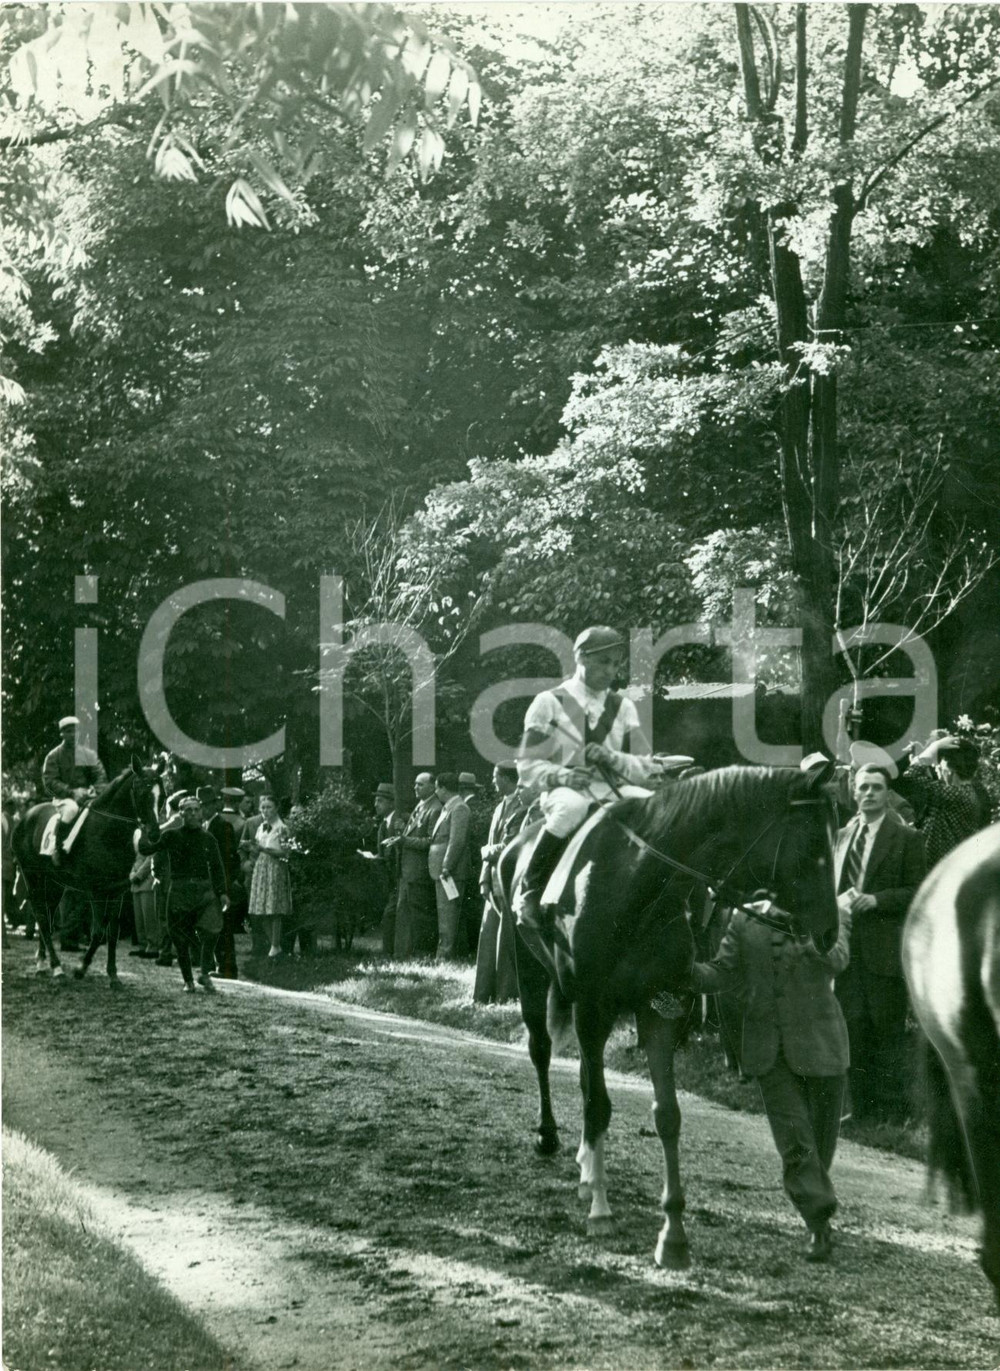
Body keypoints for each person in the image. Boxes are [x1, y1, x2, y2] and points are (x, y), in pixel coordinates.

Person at [692, 902, 853, 1263]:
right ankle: (817, 1221)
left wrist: (807, 927)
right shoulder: (745, 919)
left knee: (819, 1144)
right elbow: (721, 971)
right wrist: (680, 968)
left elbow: (838, 958)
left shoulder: (831, 909)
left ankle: (815, 1204)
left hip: (822, 1045)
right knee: (795, 1138)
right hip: (769, 1050)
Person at [514, 626, 686, 947]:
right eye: (603, 662)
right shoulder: (548, 702)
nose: (611, 671)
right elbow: (526, 765)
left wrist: (612, 757)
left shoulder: (624, 707)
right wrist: (564, 776)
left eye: (616, 664)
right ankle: (530, 890)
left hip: (611, 788)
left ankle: (668, 898)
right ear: (580, 657)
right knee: (572, 808)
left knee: (654, 807)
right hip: (566, 790)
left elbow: (646, 768)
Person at [834, 764, 927, 1123]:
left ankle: (892, 1111)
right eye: (863, 788)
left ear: (888, 794)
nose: (869, 793)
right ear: (854, 793)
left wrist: (877, 900)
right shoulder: (843, 835)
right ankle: (861, 1109)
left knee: (885, 1029)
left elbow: (918, 890)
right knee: (852, 1027)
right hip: (847, 945)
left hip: (884, 948)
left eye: (876, 787)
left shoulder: (906, 838)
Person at [140, 796, 229, 992]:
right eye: (188, 810)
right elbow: (148, 849)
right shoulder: (171, 836)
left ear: (201, 812)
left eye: (196, 809)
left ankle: (205, 974)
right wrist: (145, 830)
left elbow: (217, 868)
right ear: (181, 814)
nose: (193, 814)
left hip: (204, 892)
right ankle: (188, 981)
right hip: (179, 891)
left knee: (212, 929)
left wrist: (222, 892)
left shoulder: (208, 839)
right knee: (180, 938)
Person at [473, 764, 529, 1004]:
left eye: (495, 777)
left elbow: (511, 845)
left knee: (505, 943)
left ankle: (504, 996)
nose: (492, 781)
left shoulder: (523, 807)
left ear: (508, 779)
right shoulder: (499, 808)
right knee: (487, 939)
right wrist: (484, 878)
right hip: (493, 882)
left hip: (509, 882)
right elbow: (492, 841)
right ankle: (481, 996)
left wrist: (486, 852)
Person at [896, 735, 988, 868]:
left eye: (940, 762)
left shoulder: (954, 794)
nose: (936, 767)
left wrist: (935, 747)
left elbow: (911, 774)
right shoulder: (965, 792)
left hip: (941, 869)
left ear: (951, 770)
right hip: (948, 866)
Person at [385, 772, 441, 958]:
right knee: (404, 913)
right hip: (407, 870)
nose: (415, 788)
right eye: (415, 784)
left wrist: (404, 841)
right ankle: (402, 954)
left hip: (419, 871)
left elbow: (430, 841)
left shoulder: (435, 809)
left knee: (420, 916)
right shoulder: (421, 806)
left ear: (433, 786)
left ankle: (422, 954)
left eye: (420, 784)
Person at [41, 716, 107, 863]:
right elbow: (49, 782)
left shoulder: (88, 754)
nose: (73, 734)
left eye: (76, 731)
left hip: (87, 796)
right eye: (69, 731)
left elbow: (100, 775)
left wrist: (95, 790)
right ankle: (58, 848)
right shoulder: (53, 756)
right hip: (64, 799)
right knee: (71, 810)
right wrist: (71, 792)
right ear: (62, 734)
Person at [428, 772, 471, 960]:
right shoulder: (449, 807)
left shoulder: (459, 807)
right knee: (447, 913)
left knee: (448, 914)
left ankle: (444, 956)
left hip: (450, 871)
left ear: (444, 788)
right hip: (443, 870)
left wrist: (446, 866)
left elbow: (457, 841)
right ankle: (450, 953)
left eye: (437, 787)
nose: (436, 792)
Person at [208, 787, 247, 978]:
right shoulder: (237, 821)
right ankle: (220, 964)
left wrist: (224, 884)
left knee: (222, 925)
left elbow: (228, 859)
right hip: (222, 881)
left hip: (221, 883)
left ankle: (227, 967)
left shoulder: (221, 825)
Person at [247, 794, 292, 958]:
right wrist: (251, 847)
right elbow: (258, 848)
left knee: (274, 908)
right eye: (263, 807)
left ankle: (274, 946)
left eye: (269, 807)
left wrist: (263, 849)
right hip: (261, 868)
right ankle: (276, 946)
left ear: (276, 808)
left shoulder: (282, 828)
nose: (265, 811)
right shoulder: (261, 827)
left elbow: (285, 853)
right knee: (262, 909)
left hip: (275, 868)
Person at [372, 782, 406, 954]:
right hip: (389, 879)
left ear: (391, 803)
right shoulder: (383, 825)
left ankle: (389, 953)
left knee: (390, 915)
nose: (376, 805)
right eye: (376, 801)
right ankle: (390, 952)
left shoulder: (398, 822)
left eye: (380, 801)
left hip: (399, 877)